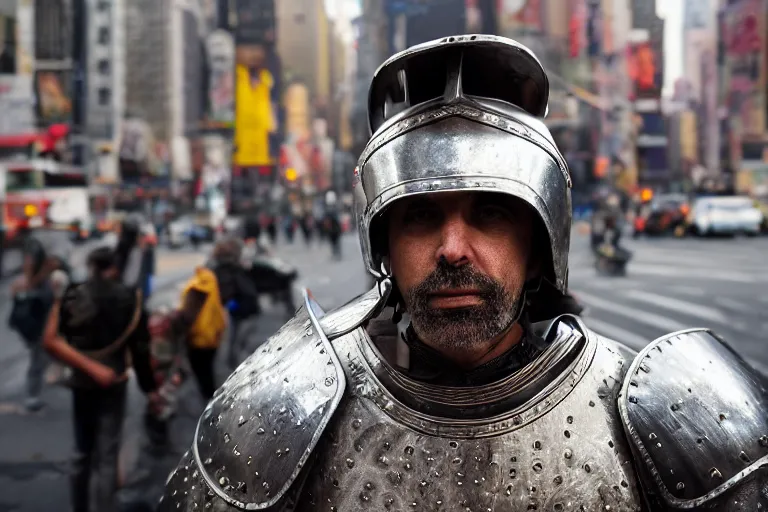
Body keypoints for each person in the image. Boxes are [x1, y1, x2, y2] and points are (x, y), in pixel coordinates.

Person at [160, 36, 768, 511]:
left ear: (537, 245)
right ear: (385, 246)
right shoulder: (279, 406)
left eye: (492, 213)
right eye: (421, 215)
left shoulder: (669, 414)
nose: (453, 250)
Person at [44, 247, 158, 512]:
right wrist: (149, 388)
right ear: (114, 268)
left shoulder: (72, 295)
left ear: (90, 265)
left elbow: (53, 339)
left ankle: (79, 507)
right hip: (114, 381)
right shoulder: (131, 299)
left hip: (81, 382)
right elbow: (140, 350)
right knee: (107, 456)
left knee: (81, 451)